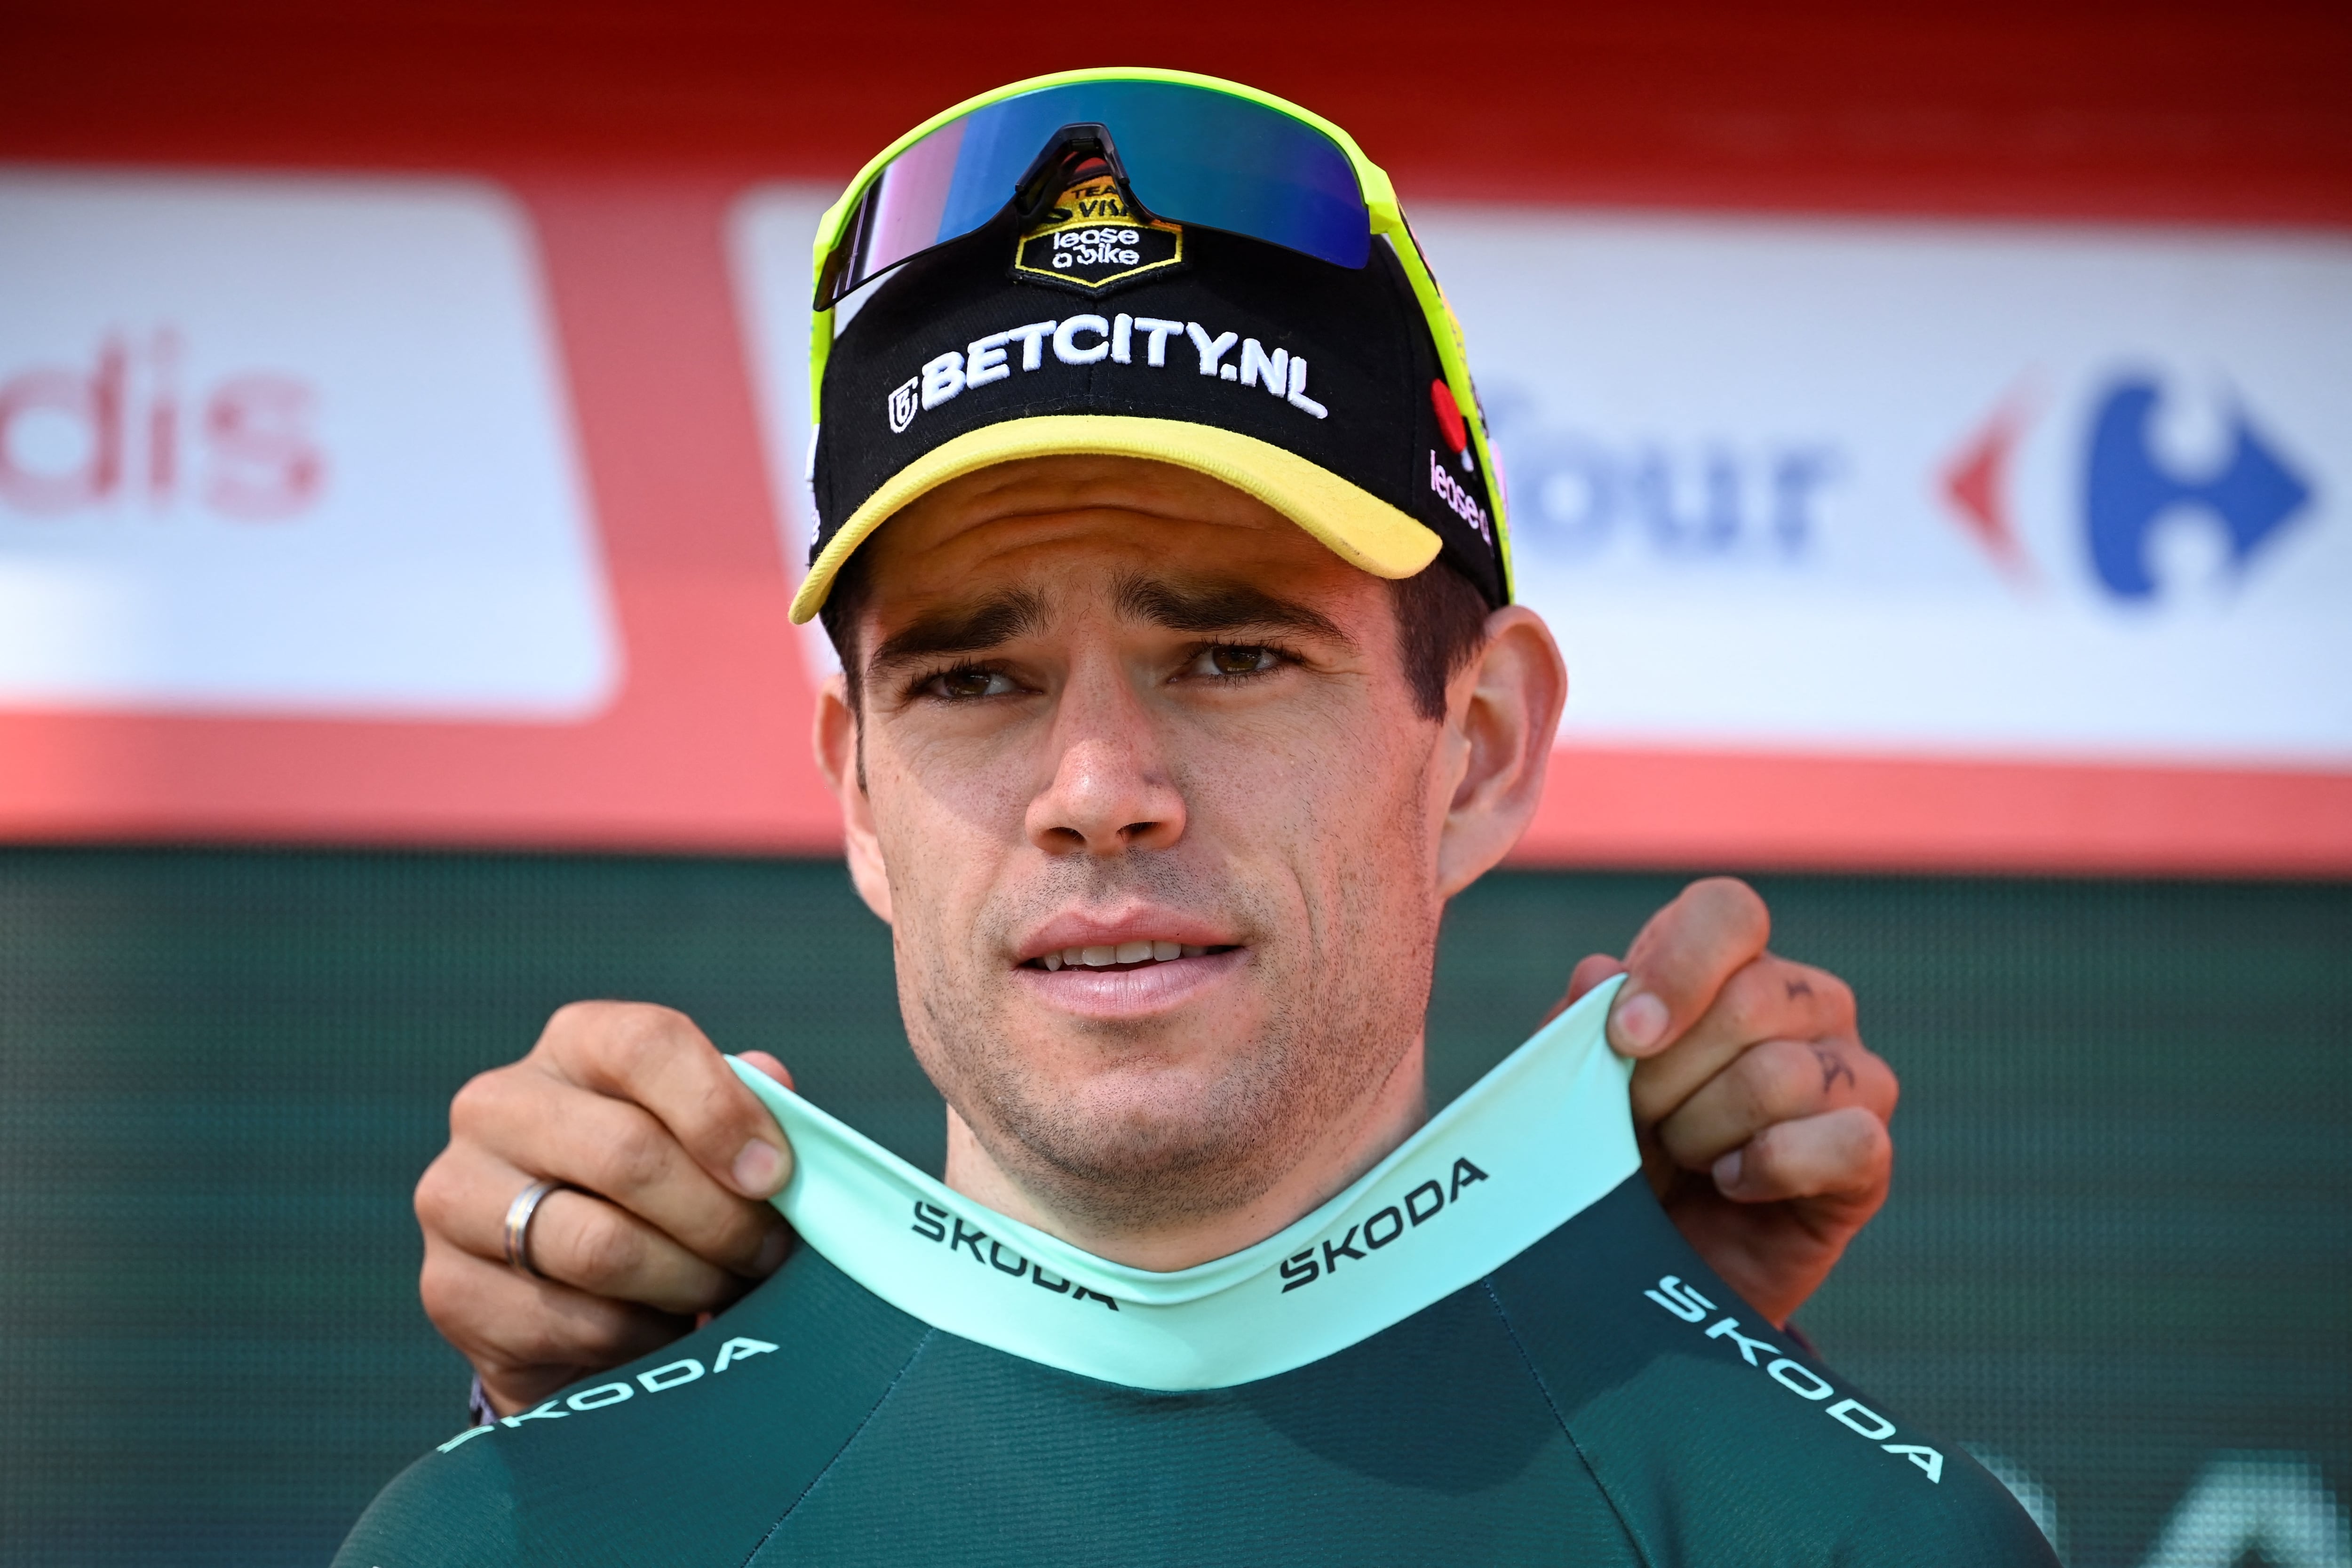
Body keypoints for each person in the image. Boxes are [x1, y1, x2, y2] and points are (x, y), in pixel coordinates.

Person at [342, 69, 2054, 1564]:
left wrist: (1602, 1342)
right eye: (972, 679)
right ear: (855, 789)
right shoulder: (498, 1538)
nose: (1097, 793)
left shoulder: (1847, 1539)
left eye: (1233, 654)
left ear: (1479, 745)